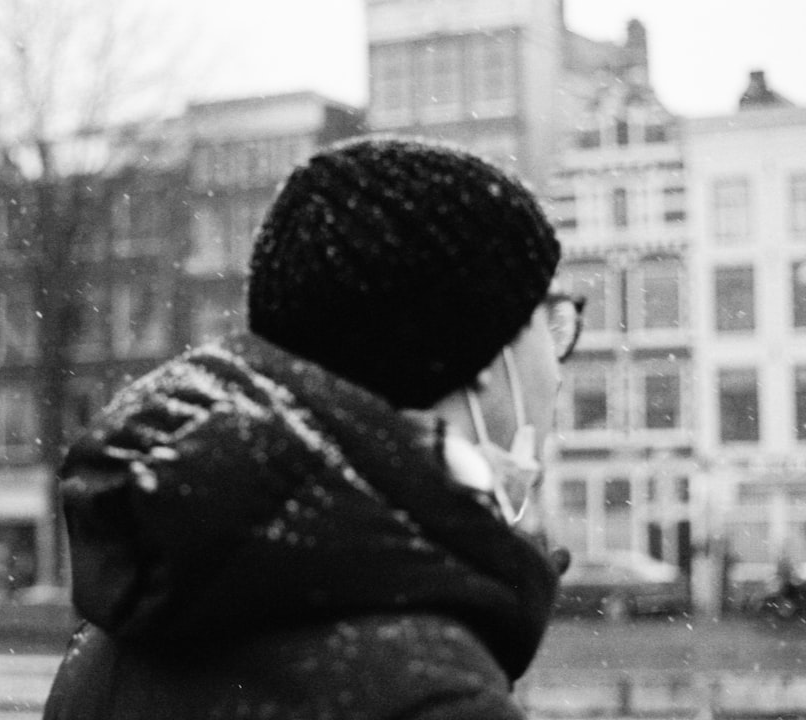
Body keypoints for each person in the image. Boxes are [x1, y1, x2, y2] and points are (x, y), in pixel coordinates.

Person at [43, 137, 582, 719]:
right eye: (549, 322)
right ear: (483, 354)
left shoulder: (107, 651)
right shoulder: (426, 695)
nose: (557, 371)